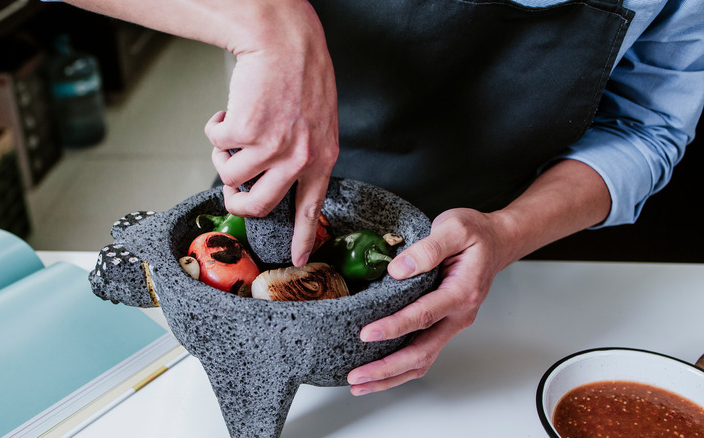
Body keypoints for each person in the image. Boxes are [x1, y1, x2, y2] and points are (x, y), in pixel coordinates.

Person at [63, 0, 703, 396]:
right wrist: (271, 21)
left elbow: (644, 127)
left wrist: (507, 232)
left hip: (498, 254)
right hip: (265, 214)